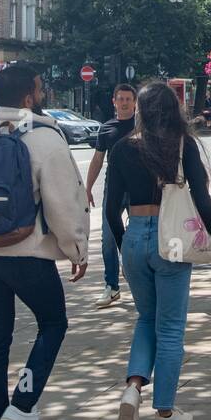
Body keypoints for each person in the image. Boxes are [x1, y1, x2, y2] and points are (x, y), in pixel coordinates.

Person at [0, 64, 89, 420]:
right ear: (29, 96)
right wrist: (76, 249)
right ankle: (23, 405)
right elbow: (64, 202)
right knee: (53, 323)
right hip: (27, 254)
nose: (42, 96)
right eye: (40, 90)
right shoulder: (45, 138)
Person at [107, 81, 211, 420]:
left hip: (134, 237)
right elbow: (201, 197)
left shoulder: (122, 148)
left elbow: (112, 209)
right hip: (170, 238)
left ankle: (133, 387)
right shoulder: (183, 144)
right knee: (171, 327)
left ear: (140, 110)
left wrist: (123, 244)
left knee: (146, 318)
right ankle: (165, 410)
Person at [86, 83, 137, 309]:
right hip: (113, 189)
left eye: (128, 99)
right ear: (114, 102)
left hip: (139, 189)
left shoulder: (143, 125)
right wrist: (87, 188)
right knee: (108, 237)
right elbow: (97, 160)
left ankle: (138, 280)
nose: (125, 103)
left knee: (137, 236)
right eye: (121, 99)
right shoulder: (106, 128)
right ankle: (111, 286)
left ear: (135, 102)